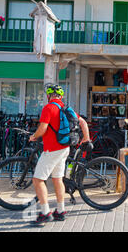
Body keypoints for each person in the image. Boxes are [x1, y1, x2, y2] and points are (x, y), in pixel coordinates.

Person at [29, 84, 90, 226]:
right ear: (61, 96)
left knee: (38, 180)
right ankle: (60, 211)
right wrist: (86, 138)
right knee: (57, 179)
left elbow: (43, 128)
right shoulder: (66, 109)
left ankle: (45, 213)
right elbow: (83, 122)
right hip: (64, 149)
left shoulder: (48, 108)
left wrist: (34, 136)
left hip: (52, 149)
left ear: (48, 96)